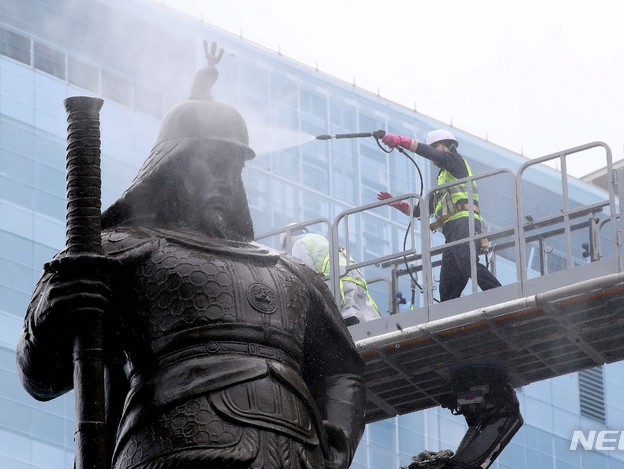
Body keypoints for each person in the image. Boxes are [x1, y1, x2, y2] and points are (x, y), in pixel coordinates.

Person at [17, 47, 366, 469]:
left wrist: (337, 440)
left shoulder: (291, 272)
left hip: (295, 456)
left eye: (232, 167)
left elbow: (341, 368)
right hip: (175, 452)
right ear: (174, 167)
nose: (224, 180)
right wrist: (55, 308)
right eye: (210, 164)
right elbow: (42, 375)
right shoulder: (124, 249)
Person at [378, 129, 501, 301]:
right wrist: (398, 204)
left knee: (466, 261)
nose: (434, 152)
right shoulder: (443, 181)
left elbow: (428, 153)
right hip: (452, 231)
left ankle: (497, 292)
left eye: (436, 146)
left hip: (465, 223)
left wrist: (402, 141)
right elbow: (420, 212)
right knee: (448, 282)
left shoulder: (455, 162)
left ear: (447, 145)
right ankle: (449, 311)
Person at [284, 227, 380, 326]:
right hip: (353, 276)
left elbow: (305, 272)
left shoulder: (298, 244)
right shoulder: (318, 239)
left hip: (336, 277)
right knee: (365, 310)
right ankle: (376, 325)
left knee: (346, 310)